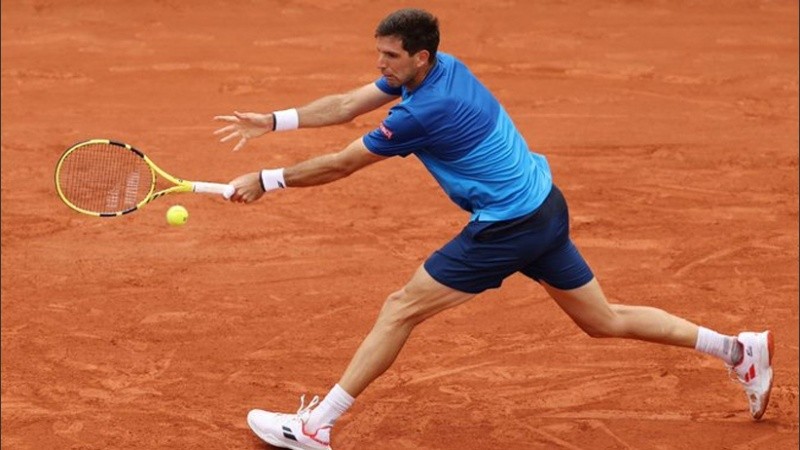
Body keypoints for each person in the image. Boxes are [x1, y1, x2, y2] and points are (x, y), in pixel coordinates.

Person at [213, 8, 774, 450]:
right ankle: (735, 349)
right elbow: (344, 104)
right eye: (378, 54)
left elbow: (342, 163)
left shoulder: (421, 113)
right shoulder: (442, 68)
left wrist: (269, 178)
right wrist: (273, 122)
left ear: (419, 57)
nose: (380, 65)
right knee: (604, 320)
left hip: (509, 227)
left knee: (402, 306)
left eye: (388, 56)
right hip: (543, 205)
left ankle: (318, 427)